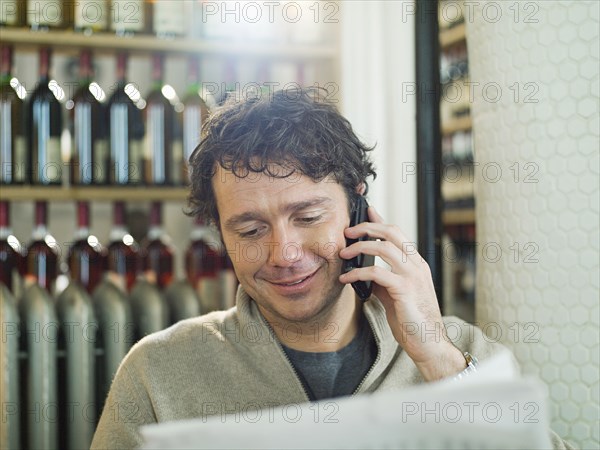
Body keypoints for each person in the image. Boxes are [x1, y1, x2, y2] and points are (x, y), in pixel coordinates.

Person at [91, 87, 571, 449]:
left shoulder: (461, 353)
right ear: (221, 236)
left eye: (308, 217)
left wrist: (438, 362)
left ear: (357, 209)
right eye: (251, 230)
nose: (284, 253)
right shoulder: (157, 374)